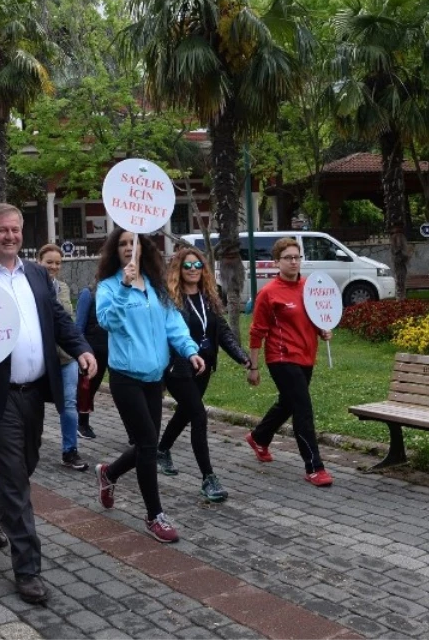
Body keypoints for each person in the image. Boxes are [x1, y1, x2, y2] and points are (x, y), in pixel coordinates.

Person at [0, 203, 96, 605]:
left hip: (34, 393)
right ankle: (27, 569)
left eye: (16, 230)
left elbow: (59, 319)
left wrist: (80, 348)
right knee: (16, 479)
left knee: (25, 464)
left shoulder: (36, 274)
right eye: (2, 231)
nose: (11, 236)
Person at [93, 229, 203, 544]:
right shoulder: (109, 286)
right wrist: (125, 287)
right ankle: (155, 516)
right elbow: (107, 322)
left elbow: (174, 325)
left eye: (134, 243)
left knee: (148, 445)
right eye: (124, 244)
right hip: (125, 376)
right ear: (116, 250)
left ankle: (109, 473)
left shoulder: (156, 287)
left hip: (156, 377)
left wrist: (190, 350)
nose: (129, 248)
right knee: (146, 446)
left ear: (144, 248)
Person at [157, 248, 252, 503]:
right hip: (178, 367)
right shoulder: (170, 299)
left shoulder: (209, 297)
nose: (192, 269)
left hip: (204, 366)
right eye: (187, 265)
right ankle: (208, 477)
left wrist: (241, 356)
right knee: (198, 415)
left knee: (187, 411)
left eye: (197, 264)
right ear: (178, 269)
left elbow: (222, 331)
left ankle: (162, 449)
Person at [244, 237, 334, 487]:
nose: (294, 262)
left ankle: (259, 437)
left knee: (288, 403)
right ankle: (314, 467)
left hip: (306, 356)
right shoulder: (269, 293)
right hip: (281, 357)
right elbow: (257, 331)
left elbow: (316, 317)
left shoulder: (310, 287)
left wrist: (323, 330)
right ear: (277, 262)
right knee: (303, 410)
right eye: (288, 258)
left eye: (297, 257)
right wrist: (253, 366)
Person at [36, 244, 89, 472]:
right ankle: (29, 447)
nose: (54, 267)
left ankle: (70, 451)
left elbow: (69, 322)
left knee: (69, 405)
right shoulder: (31, 288)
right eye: (49, 262)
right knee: (33, 405)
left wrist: (80, 349)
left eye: (58, 263)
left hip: (66, 358)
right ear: (39, 262)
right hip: (40, 358)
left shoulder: (64, 288)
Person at [74, 284, 109, 439]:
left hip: (111, 349)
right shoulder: (88, 293)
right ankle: (82, 423)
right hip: (91, 350)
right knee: (87, 387)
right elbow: (79, 324)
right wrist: (81, 350)